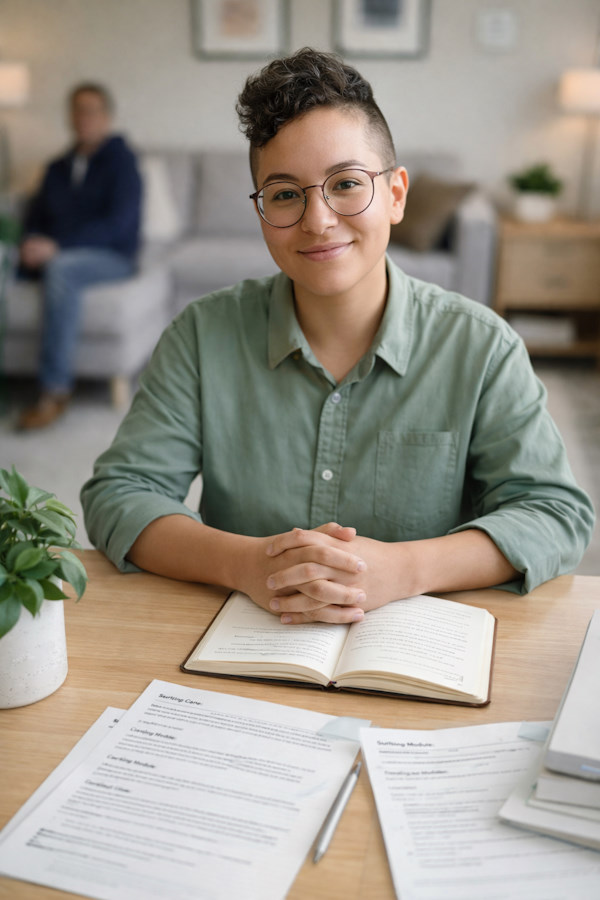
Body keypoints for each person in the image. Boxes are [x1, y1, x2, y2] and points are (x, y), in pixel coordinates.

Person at [81, 48, 594, 626]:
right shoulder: (202, 335)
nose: (317, 219)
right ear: (260, 212)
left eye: (346, 183)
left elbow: (554, 514)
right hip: (247, 645)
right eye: (284, 194)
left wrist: (406, 569)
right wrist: (251, 563)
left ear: (396, 194)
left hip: (417, 650)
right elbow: (119, 494)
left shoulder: (482, 347)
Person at [17, 82, 142, 429]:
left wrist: (56, 247)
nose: (82, 118)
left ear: (106, 117)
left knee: (61, 268)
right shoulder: (57, 166)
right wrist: (29, 243)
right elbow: (35, 216)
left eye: (90, 110)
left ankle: (54, 391)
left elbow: (119, 225)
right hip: (54, 251)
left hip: (111, 257)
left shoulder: (123, 162)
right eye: (76, 110)